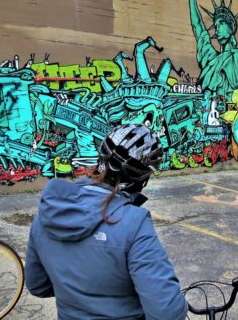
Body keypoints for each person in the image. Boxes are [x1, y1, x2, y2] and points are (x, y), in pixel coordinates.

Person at [25, 123, 188, 320]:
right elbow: (166, 312)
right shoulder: (134, 223)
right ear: (142, 178)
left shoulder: (47, 214)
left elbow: (37, 286)